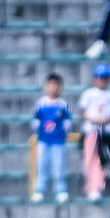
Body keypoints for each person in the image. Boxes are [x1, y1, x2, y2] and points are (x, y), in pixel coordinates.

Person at [78, 63, 110, 202]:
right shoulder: (89, 94)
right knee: (91, 159)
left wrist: (104, 120)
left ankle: (99, 185)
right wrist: (95, 120)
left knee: (105, 159)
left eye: (105, 77)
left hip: (107, 132)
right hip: (91, 131)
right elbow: (82, 112)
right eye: (99, 77)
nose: (102, 80)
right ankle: (93, 187)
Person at [30, 73, 71, 204]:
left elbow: (67, 121)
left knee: (59, 166)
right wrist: (38, 131)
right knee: (42, 166)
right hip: (43, 141)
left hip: (58, 141)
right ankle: (39, 190)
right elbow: (36, 120)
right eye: (51, 84)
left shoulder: (63, 104)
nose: (54, 87)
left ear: (61, 87)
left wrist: (64, 131)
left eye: (57, 85)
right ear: (46, 86)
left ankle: (61, 190)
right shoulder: (41, 103)